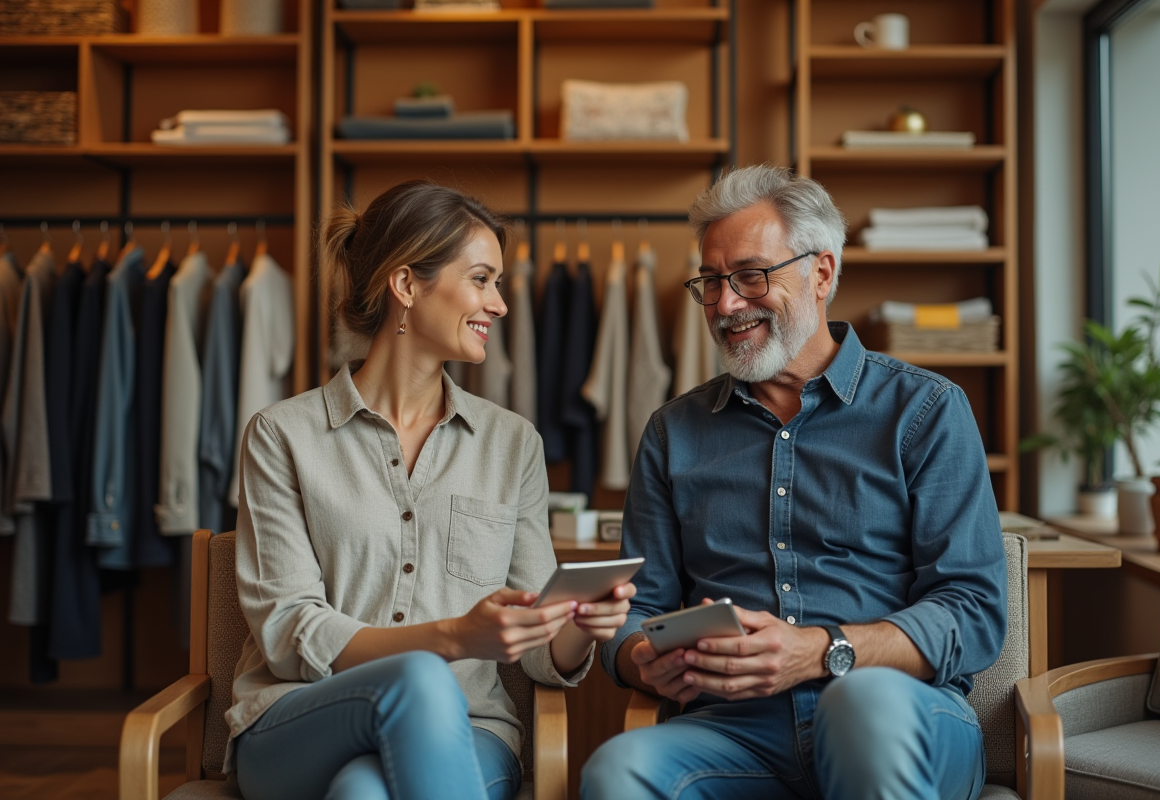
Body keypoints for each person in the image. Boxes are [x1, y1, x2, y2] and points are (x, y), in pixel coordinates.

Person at [581, 164, 1007, 800]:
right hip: (736, 733)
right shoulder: (674, 431)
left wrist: (822, 651)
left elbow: (973, 613)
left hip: (895, 714)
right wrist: (640, 656)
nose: (726, 304)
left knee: (860, 708)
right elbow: (636, 609)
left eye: (751, 275)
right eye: (710, 283)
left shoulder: (926, 411)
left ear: (822, 272)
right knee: (616, 772)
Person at [224, 180, 634, 800]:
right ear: (406, 285)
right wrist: (452, 639)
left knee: (362, 795)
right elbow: (287, 632)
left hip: (470, 731)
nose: (499, 304)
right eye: (481, 279)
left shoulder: (513, 444)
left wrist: (580, 625)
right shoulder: (282, 436)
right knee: (418, 680)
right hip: (300, 718)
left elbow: (543, 654)